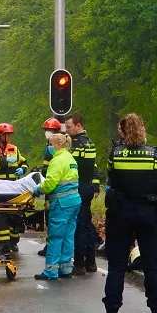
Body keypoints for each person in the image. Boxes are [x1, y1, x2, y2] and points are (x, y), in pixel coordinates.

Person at [101, 113, 157, 313]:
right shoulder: (154, 155)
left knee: (116, 267)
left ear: (122, 131)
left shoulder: (115, 155)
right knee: (152, 267)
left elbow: (111, 179)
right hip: (149, 212)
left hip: (120, 212)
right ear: (142, 130)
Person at [32, 133, 81, 280]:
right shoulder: (70, 158)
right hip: (74, 201)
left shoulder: (57, 160)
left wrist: (37, 190)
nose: (48, 147)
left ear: (57, 145)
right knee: (68, 236)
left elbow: (50, 184)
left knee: (55, 236)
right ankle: (65, 269)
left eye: (50, 144)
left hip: (62, 203)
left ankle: (50, 271)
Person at [65, 114, 102, 275]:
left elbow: (71, 167)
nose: (67, 131)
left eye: (69, 127)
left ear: (78, 126)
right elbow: (93, 166)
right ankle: (91, 262)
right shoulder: (90, 143)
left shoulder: (76, 145)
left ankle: (79, 263)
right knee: (87, 225)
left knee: (79, 227)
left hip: (78, 187)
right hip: (87, 187)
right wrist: (95, 185)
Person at [0, 123, 28, 254]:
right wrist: (5, 162)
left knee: (15, 214)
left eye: (10, 135)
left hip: (13, 185)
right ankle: (3, 245)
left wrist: (22, 169)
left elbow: (24, 162)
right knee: (0, 214)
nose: (9, 137)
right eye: (7, 135)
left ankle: (14, 241)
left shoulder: (14, 148)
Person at [37, 117, 64, 257]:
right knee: (48, 217)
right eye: (46, 130)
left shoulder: (57, 148)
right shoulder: (47, 146)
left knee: (54, 218)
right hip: (48, 184)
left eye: (50, 131)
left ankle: (54, 247)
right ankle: (49, 245)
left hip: (55, 187)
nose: (47, 133)